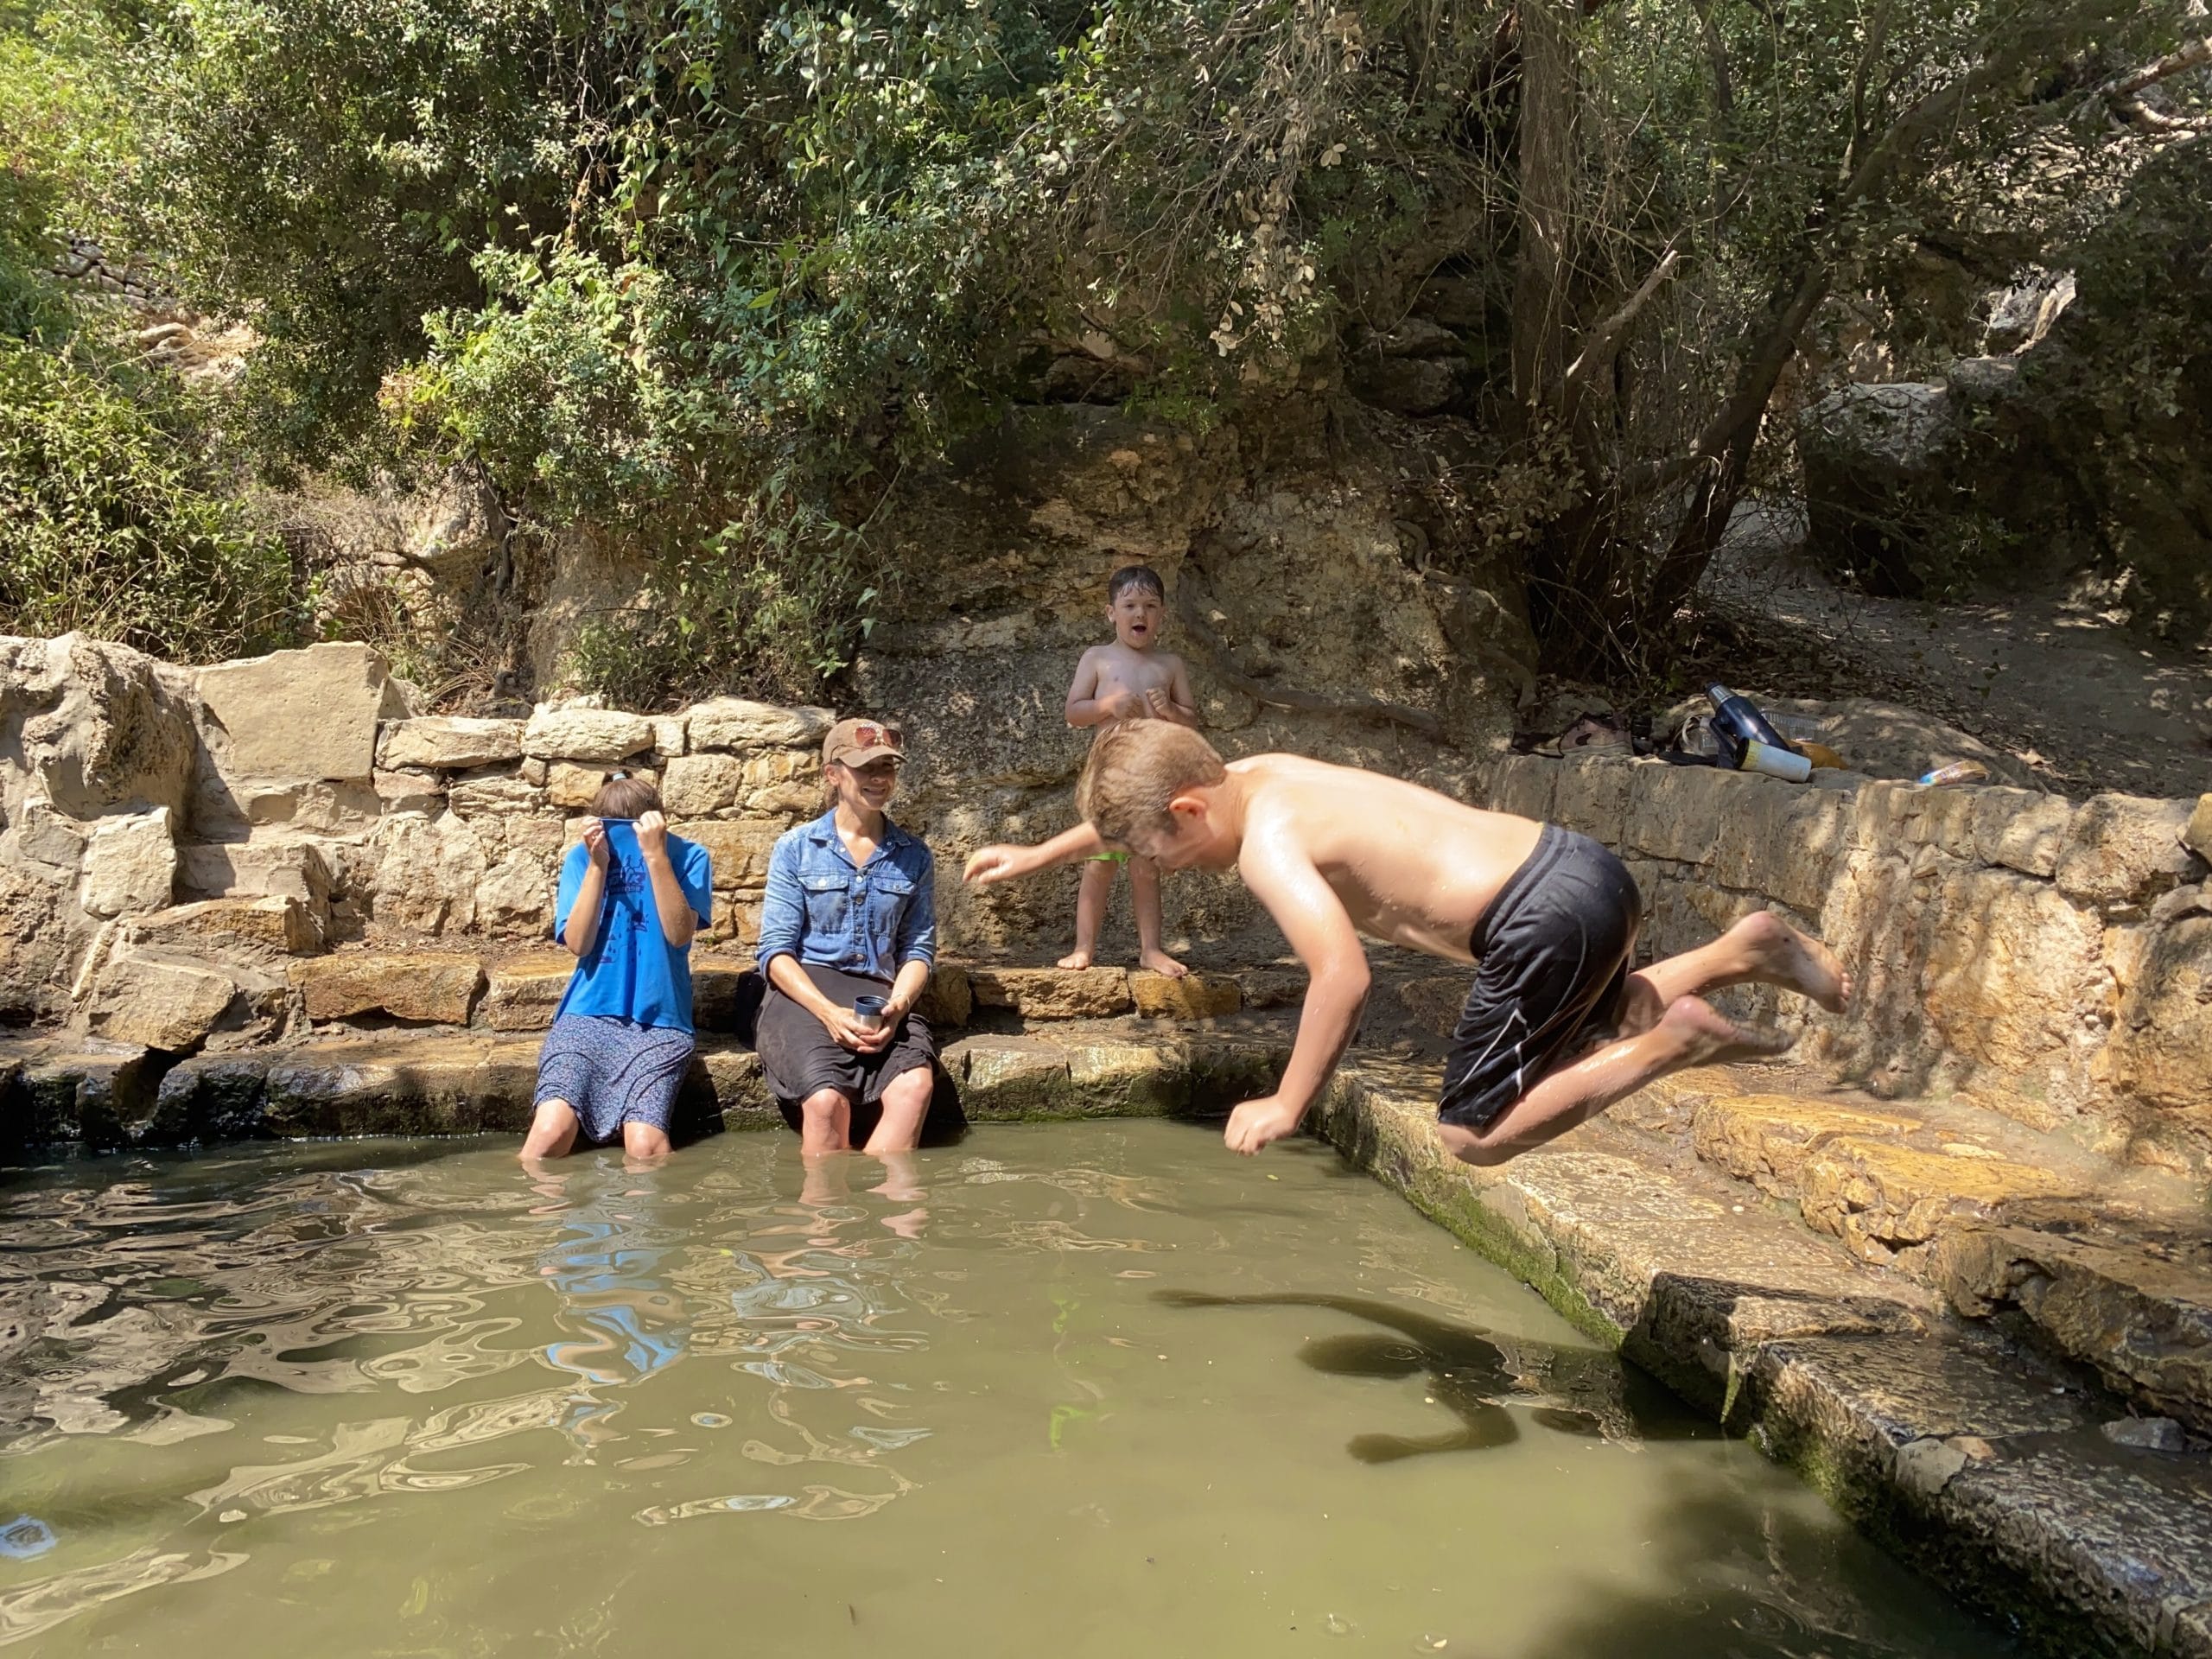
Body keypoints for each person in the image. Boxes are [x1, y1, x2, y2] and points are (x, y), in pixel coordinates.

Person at [963, 723, 1851, 1166]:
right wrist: (1040, 853)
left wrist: (1288, 1102)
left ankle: (1678, 1042)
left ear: (1190, 810)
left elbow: (1342, 977)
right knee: (1595, 1021)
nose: (1167, 868)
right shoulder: (1260, 773)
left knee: (1471, 1134)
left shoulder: (1270, 847)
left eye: (1162, 854)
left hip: (1535, 918)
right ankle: (1745, 951)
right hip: (1582, 873)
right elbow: (1141, 806)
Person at [754, 716, 944, 1158]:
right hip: (805, 993)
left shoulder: (914, 855)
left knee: (915, 1087)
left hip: (880, 995)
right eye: (865, 768)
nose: (879, 778)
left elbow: (918, 949)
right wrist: (827, 1012)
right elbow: (775, 951)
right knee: (826, 1102)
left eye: (887, 767)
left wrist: (899, 1006)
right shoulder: (796, 848)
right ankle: (828, 1202)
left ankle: (881, 1200)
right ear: (833, 774)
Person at [520, 772, 715, 1163]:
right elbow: (578, 943)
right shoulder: (581, 859)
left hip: (660, 1023)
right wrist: (598, 866)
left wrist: (656, 856)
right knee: (548, 1133)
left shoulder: (690, 857)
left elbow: (679, 934)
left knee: (645, 1147)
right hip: (586, 1017)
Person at [1058, 564, 1198, 977]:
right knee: (1100, 861)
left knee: (1145, 865)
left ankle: (1150, 949)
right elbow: (1073, 711)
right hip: (1109, 778)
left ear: (1162, 615)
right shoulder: (1098, 658)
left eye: (1150, 606)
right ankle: (1083, 947)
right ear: (1111, 613)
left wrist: (1171, 711)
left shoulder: (1170, 665)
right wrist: (1108, 706)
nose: (1141, 614)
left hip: (1154, 780)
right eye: (1131, 605)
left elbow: (1192, 721)